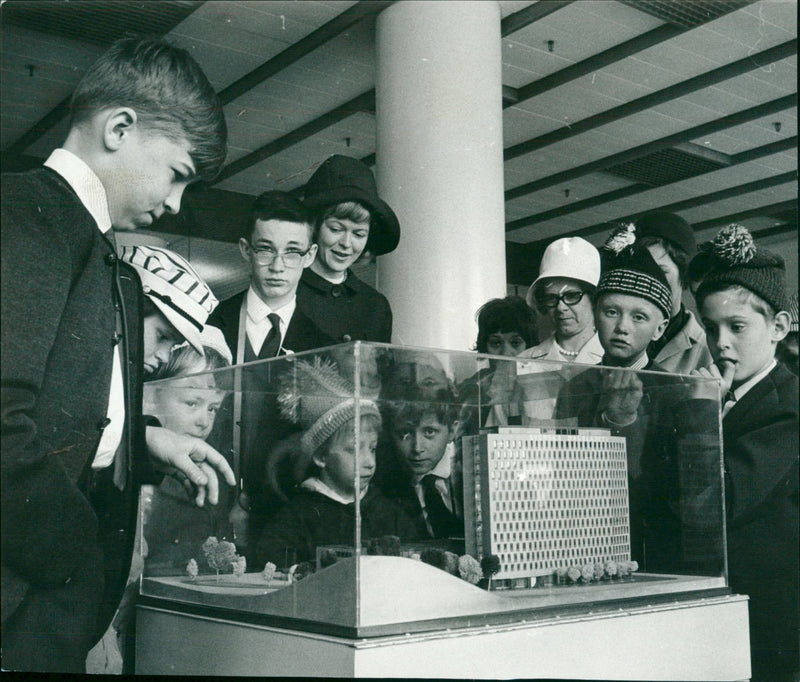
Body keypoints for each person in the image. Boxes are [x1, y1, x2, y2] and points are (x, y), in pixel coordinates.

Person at [1, 37, 232, 673]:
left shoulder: (92, 247)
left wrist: (147, 439)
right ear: (120, 127)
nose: (177, 202)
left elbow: (67, 401)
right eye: (177, 173)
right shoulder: (26, 214)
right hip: (22, 597)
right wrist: (77, 555)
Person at [685, 225, 798, 682]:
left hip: (772, 623)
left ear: (778, 327)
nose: (722, 342)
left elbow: (718, 502)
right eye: (711, 327)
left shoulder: (788, 405)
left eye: (737, 326)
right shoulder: (729, 395)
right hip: (728, 608)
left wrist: (697, 413)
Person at [207, 191, 334, 542]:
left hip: (284, 517)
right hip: (205, 502)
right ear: (246, 250)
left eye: (292, 252)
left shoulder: (325, 347)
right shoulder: (210, 323)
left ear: (309, 256)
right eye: (266, 249)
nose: (278, 266)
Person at [554, 244, 673, 563]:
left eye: (639, 317)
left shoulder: (672, 390)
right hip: (580, 540)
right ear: (596, 315)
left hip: (646, 545)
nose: (622, 327)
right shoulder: (575, 386)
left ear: (660, 327)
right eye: (611, 312)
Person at [252, 358, 417, 569]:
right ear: (321, 457)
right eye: (354, 449)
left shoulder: (390, 514)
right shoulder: (295, 519)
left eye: (372, 448)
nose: (369, 462)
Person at [296, 154, 400, 343]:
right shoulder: (287, 291)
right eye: (336, 229)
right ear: (314, 228)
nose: (346, 243)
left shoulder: (376, 306)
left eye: (359, 234)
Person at [632, 212, 713, 374]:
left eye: (661, 271)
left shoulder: (706, 350)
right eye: (642, 270)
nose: (651, 280)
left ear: (684, 275)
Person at [381, 385, 463, 540]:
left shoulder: (467, 469)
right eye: (405, 434)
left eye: (429, 432)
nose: (417, 448)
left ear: (452, 431)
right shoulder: (385, 483)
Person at [458, 295, 538, 433]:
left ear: (530, 346)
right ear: (484, 346)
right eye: (496, 343)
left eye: (515, 343)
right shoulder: (472, 389)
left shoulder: (541, 385)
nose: (506, 353)